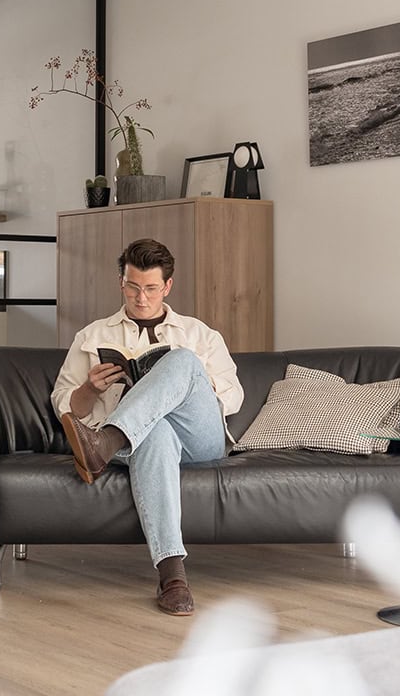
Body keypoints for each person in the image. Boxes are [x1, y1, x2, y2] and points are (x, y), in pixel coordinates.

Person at [51, 238, 243, 616]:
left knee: (183, 363)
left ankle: (102, 445)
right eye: (133, 287)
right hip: (140, 446)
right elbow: (64, 402)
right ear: (121, 282)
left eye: (151, 289)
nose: (141, 298)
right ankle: (173, 578)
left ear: (167, 287)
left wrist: (188, 383)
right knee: (154, 432)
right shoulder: (92, 337)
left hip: (199, 441)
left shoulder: (199, 335)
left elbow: (233, 396)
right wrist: (90, 389)